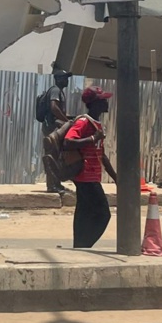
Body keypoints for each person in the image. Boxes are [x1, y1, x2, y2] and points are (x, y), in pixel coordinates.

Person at [63, 86, 117, 248]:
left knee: (84, 212)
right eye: (103, 100)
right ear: (94, 104)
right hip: (85, 175)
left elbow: (102, 154)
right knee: (103, 214)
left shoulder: (96, 123)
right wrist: (93, 138)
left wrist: (115, 177)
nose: (106, 102)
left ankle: (79, 245)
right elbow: (68, 142)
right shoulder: (84, 122)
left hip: (91, 174)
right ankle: (84, 244)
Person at [41, 69, 74, 195]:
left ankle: (56, 183)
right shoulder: (55, 90)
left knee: (56, 156)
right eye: (65, 78)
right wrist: (66, 121)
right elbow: (54, 108)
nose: (67, 80)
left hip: (53, 127)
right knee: (51, 156)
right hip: (52, 128)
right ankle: (52, 186)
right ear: (59, 79)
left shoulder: (59, 91)